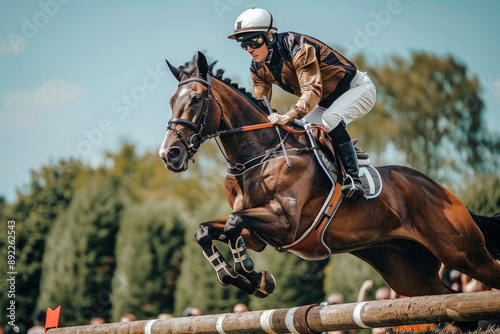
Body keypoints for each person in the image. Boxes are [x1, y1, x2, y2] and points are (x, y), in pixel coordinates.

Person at [228, 8, 377, 204]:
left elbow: (312, 90)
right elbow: (261, 100)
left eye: (253, 42)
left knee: (330, 119)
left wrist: (288, 115)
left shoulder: (298, 48)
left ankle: (354, 178)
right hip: (325, 101)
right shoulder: (257, 67)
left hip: (356, 88)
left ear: (270, 36)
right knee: (303, 131)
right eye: (243, 45)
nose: (249, 49)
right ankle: (335, 165)